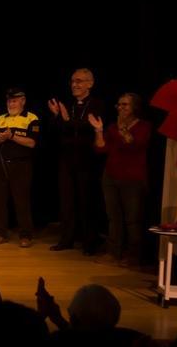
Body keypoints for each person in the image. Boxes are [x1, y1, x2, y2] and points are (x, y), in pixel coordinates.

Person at [47, 68, 106, 254]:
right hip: (67, 160)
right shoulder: (70, 106)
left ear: (90, 83)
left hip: (87, 160)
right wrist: (57, 116)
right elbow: (56, 131)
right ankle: (67, 239)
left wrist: (65, 119)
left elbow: (89, 126)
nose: (74, 85)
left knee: (87, 201)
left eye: (79, 81)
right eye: (72, 81)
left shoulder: (97, 105)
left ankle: (90, 242)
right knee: (67, 201)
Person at [90, 93, 151, 267]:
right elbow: (101, 148)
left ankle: (134, 256)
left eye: (125, 105)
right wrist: (99, 131)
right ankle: (113, 253)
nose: (121, 108)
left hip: (132, 179)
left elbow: (133, 145)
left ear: (135, 108)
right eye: (119, 105)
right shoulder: (112, 127)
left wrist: (123, 128)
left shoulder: (144, 126)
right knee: (113, 218)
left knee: (132, 220)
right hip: (111, 176)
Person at [0, 88, 40, 247]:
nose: (11, 103)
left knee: (21, 201)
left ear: (23, 101)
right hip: (0, 164)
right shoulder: (0, 118)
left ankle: (26, 236)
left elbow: (32, 143)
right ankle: (0, 233)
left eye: (14, 100)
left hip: (21, 165)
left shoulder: (31, 118)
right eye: (9, 101)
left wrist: (11, 136)